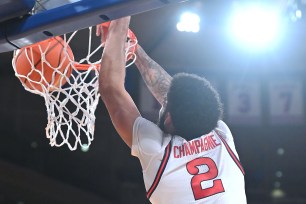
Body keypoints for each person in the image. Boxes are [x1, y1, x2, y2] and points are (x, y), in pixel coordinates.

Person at [98, 17, 247, 204]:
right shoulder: (221, 135)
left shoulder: (159, 151)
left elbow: (112, 89)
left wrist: (118, 22)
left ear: (169, 119)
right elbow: (111, 90)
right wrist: (131, 46)